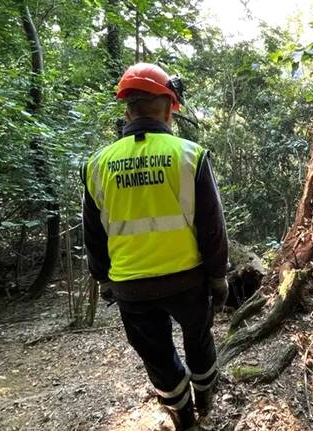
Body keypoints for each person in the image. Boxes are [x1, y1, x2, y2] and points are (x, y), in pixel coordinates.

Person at [81, 63, 229, 431]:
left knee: (158, 356)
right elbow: (212, 226)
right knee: (198, 340)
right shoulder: (189, 155)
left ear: (128, 108)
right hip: (187, 279)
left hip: (131, 286)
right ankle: (205, 398)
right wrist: (218, 277)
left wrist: (102, 279)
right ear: (168, 106)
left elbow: (93, 233)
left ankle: (184, 419)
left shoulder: (98, 164)